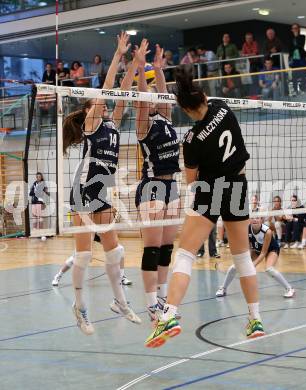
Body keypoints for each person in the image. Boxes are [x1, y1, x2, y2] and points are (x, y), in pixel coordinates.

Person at [145, 64, 265, 348]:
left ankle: (170, 315)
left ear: (186, 110)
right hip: (238, 185)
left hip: (210, 190)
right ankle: (255, 319)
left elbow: (191, 181)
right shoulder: (223, 107)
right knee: (242, 257)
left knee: (185, 254)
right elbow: (208, 104)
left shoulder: (191, 140)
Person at [62, 32, 144, 335]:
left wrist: (135, 65)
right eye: (98, 101)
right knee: (83, 254)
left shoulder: (112, 123)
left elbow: (121, 91)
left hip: (103, 193)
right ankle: (79, 307)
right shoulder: (91, 123)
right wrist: (117, 55)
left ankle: (119, 302)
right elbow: (110, 87)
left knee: (116, 251)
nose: (105, 102)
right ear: (90, 109)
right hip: (83, 191)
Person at [135, 44, 181, 321]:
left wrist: (159, 69)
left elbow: (163, 95)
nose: (154, 98)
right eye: (150, 96)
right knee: (152, 248)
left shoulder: (165, 117)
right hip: (152, 185)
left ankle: (162, 297)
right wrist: (142, 68)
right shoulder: (144, 124)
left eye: (155, 96)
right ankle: (151, 303)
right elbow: (142, 99)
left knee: (166, 248)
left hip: (172, 185)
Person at [216, 216, 295, 298]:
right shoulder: (246, 229)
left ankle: (290, 289)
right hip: (256, 249)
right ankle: (223, 288)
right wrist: (246, 260)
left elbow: (263, 253)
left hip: (271, 250)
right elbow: (249, 247)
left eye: (257, 218)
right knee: (235, 267)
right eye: (253, 218)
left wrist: (253, 264)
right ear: (249, 220)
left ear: (261, 220)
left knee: (269, 269)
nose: (255, 220)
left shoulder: (267, 232)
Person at [52, 234, 132, 286]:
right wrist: (89, 251)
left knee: (120, 249)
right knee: (77, 256)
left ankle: (121, 277)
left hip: (99, 232)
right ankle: (58, 276)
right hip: (86, 232)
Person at [289, 24, 306, 95]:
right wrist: (295, 47)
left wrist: (296, 37)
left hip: (301, 58)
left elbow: (300, 45)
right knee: (294, 75)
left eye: (296, 28)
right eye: (294, 28)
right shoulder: (290, 38)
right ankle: (295, 90)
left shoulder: (302, 37)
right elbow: (290, 48)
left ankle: (303, 90)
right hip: (294, 58)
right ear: (292, 30)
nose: (295, 29)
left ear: (299, 29)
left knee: (303, 74)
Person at [29, 172, 49, 236]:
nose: (38, 178)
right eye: (37, 177)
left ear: (41, 177)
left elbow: (45, 194)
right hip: (33, 202)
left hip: (39, 202)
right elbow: (30, 193)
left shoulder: (43, 184)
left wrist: (45, 203)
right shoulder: (34, 183)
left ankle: (41, 231)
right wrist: (35, 191)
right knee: (34, 216)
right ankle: (35, 230)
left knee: (40, 216)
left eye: (39, 177)